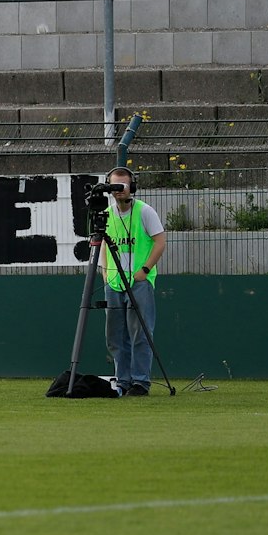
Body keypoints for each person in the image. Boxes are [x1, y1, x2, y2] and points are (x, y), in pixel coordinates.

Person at [93, 167, 167, 395]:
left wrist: (145, 270)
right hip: (114, 282)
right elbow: (104, 243)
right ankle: (122, 381)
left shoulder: (145, 211)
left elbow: (160, 240)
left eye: (122, 186)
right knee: (115, 335)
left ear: (131, 187)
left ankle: (140, 382)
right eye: (114, 186)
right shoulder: (107, 213)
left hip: (138, 282)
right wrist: (105, 272)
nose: (118, 191)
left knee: (140, 333)